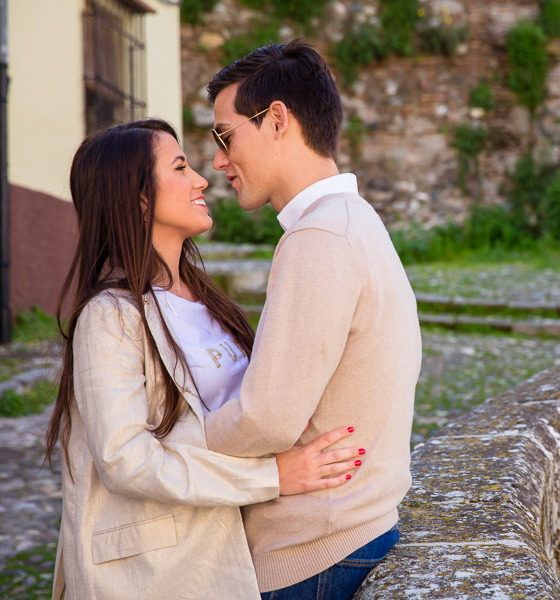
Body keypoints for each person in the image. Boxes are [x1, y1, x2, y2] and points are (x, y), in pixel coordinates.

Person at [44, 119, 366, 600]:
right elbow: (125, 460)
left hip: (226, 551)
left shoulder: (207, 297)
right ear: (138, 197)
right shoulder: (109, 317)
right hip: (153, 575)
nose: (201, 179)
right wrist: (272, 477)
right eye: (180, 167)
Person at [203, 40, 422, 600]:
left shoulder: (319, 237)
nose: (217, 161)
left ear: (276, 120)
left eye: (224, 136)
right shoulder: (354, 221)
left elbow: (267, 417)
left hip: (314, 551)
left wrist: (167, 443)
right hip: (349, 531)